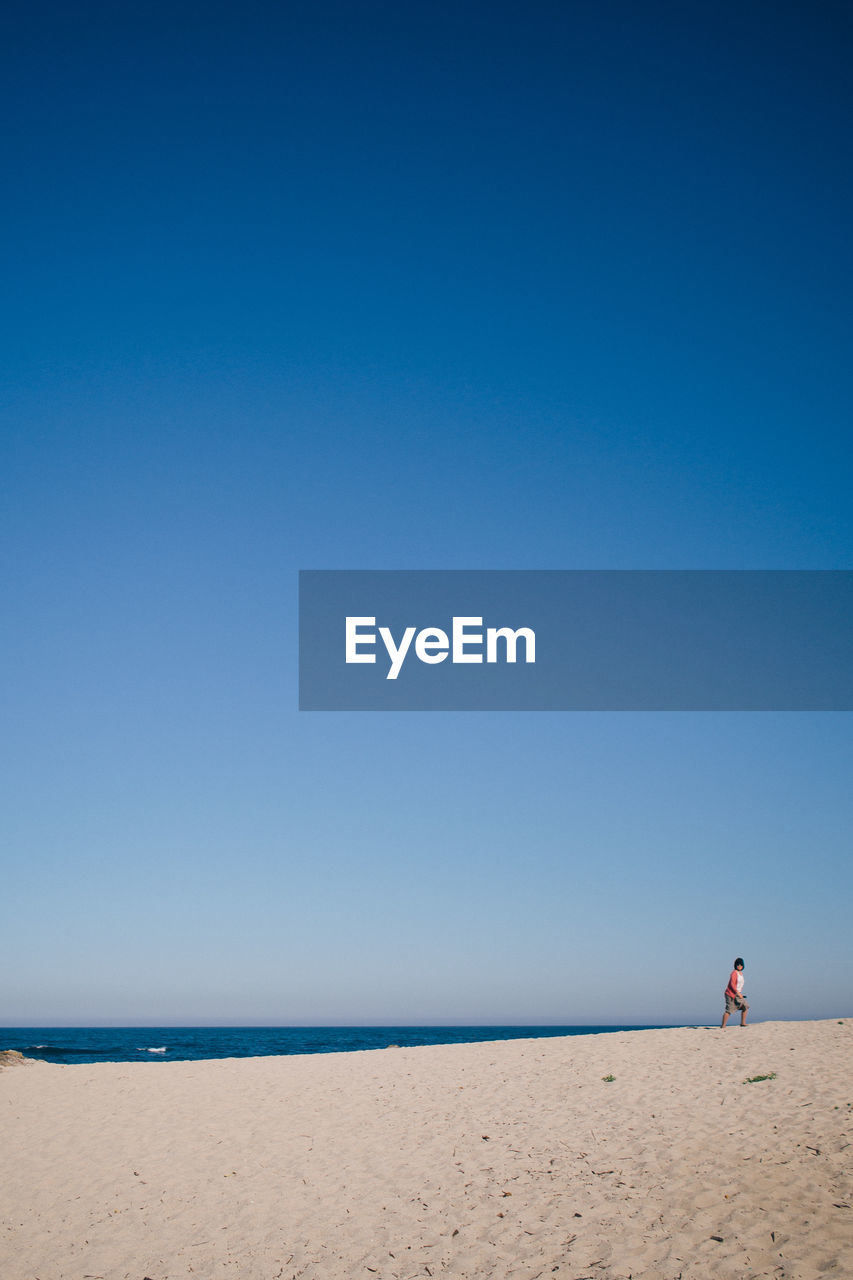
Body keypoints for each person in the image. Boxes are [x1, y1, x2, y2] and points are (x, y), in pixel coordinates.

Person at [721, 957, 748, 1027]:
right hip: (730, 994)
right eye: (738, 965)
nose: (739, 966)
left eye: (741, 965)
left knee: (745, 1006)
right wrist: (737, 993)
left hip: (738, 994)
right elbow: (732, 984)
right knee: (729, 1010)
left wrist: (739, 993)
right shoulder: (734, 973)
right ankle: (723, 1025)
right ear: (735, 965)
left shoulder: (741, 974)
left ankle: (743, 1023)